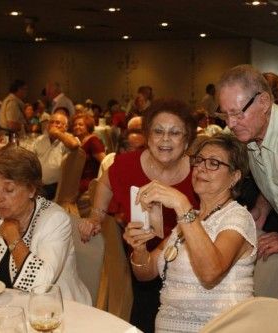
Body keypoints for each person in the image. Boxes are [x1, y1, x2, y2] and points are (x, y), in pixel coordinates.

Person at [79, 98, 199, 332]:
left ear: (186, 141)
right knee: (145, 309)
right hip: (139, 253)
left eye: (175, 133)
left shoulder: (199, 171)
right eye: (158, 131)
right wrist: (96, 216)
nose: (165, 139)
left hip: (185, 261)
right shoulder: (127, 164)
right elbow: (104, 183)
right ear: (147, 136)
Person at [124, 133, 256, 332]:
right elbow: (147, 273)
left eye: (214, 163)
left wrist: (181, 204)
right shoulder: (190, 219)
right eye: (199, 160)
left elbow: (210, 273)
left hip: (219, 327)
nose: (201, 168)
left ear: (235, 176)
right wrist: (139, 248)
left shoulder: (237, 217)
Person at [0, 145, 91, 304]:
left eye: (9, 190)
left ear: (31, 190)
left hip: (53, 312)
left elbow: (41, 283)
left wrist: (13, 238)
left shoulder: (54, 220)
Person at [217, 64, 278, 298]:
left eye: (237, 113)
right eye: (225, 114)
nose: (230, 123)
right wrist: (263, 205)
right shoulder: (251, 135)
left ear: (264, 102)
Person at [33, 109, 80, 200]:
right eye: (51, 122)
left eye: (58, 123)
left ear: (66, 127)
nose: (54, 125)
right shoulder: (40, 139)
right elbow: (31, 159)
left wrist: (57, 133)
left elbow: (74, 145)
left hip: (57, 186)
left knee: (32, 200)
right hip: (38, 183)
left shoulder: (68, 139)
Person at [71, 113, 106, 194]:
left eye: (80, 125)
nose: (77, 127)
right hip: (77, 180)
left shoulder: (93, 141)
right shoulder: (77, 141)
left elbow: (105, 162)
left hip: (88, 182)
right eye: (75, 125)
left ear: (88, 126)